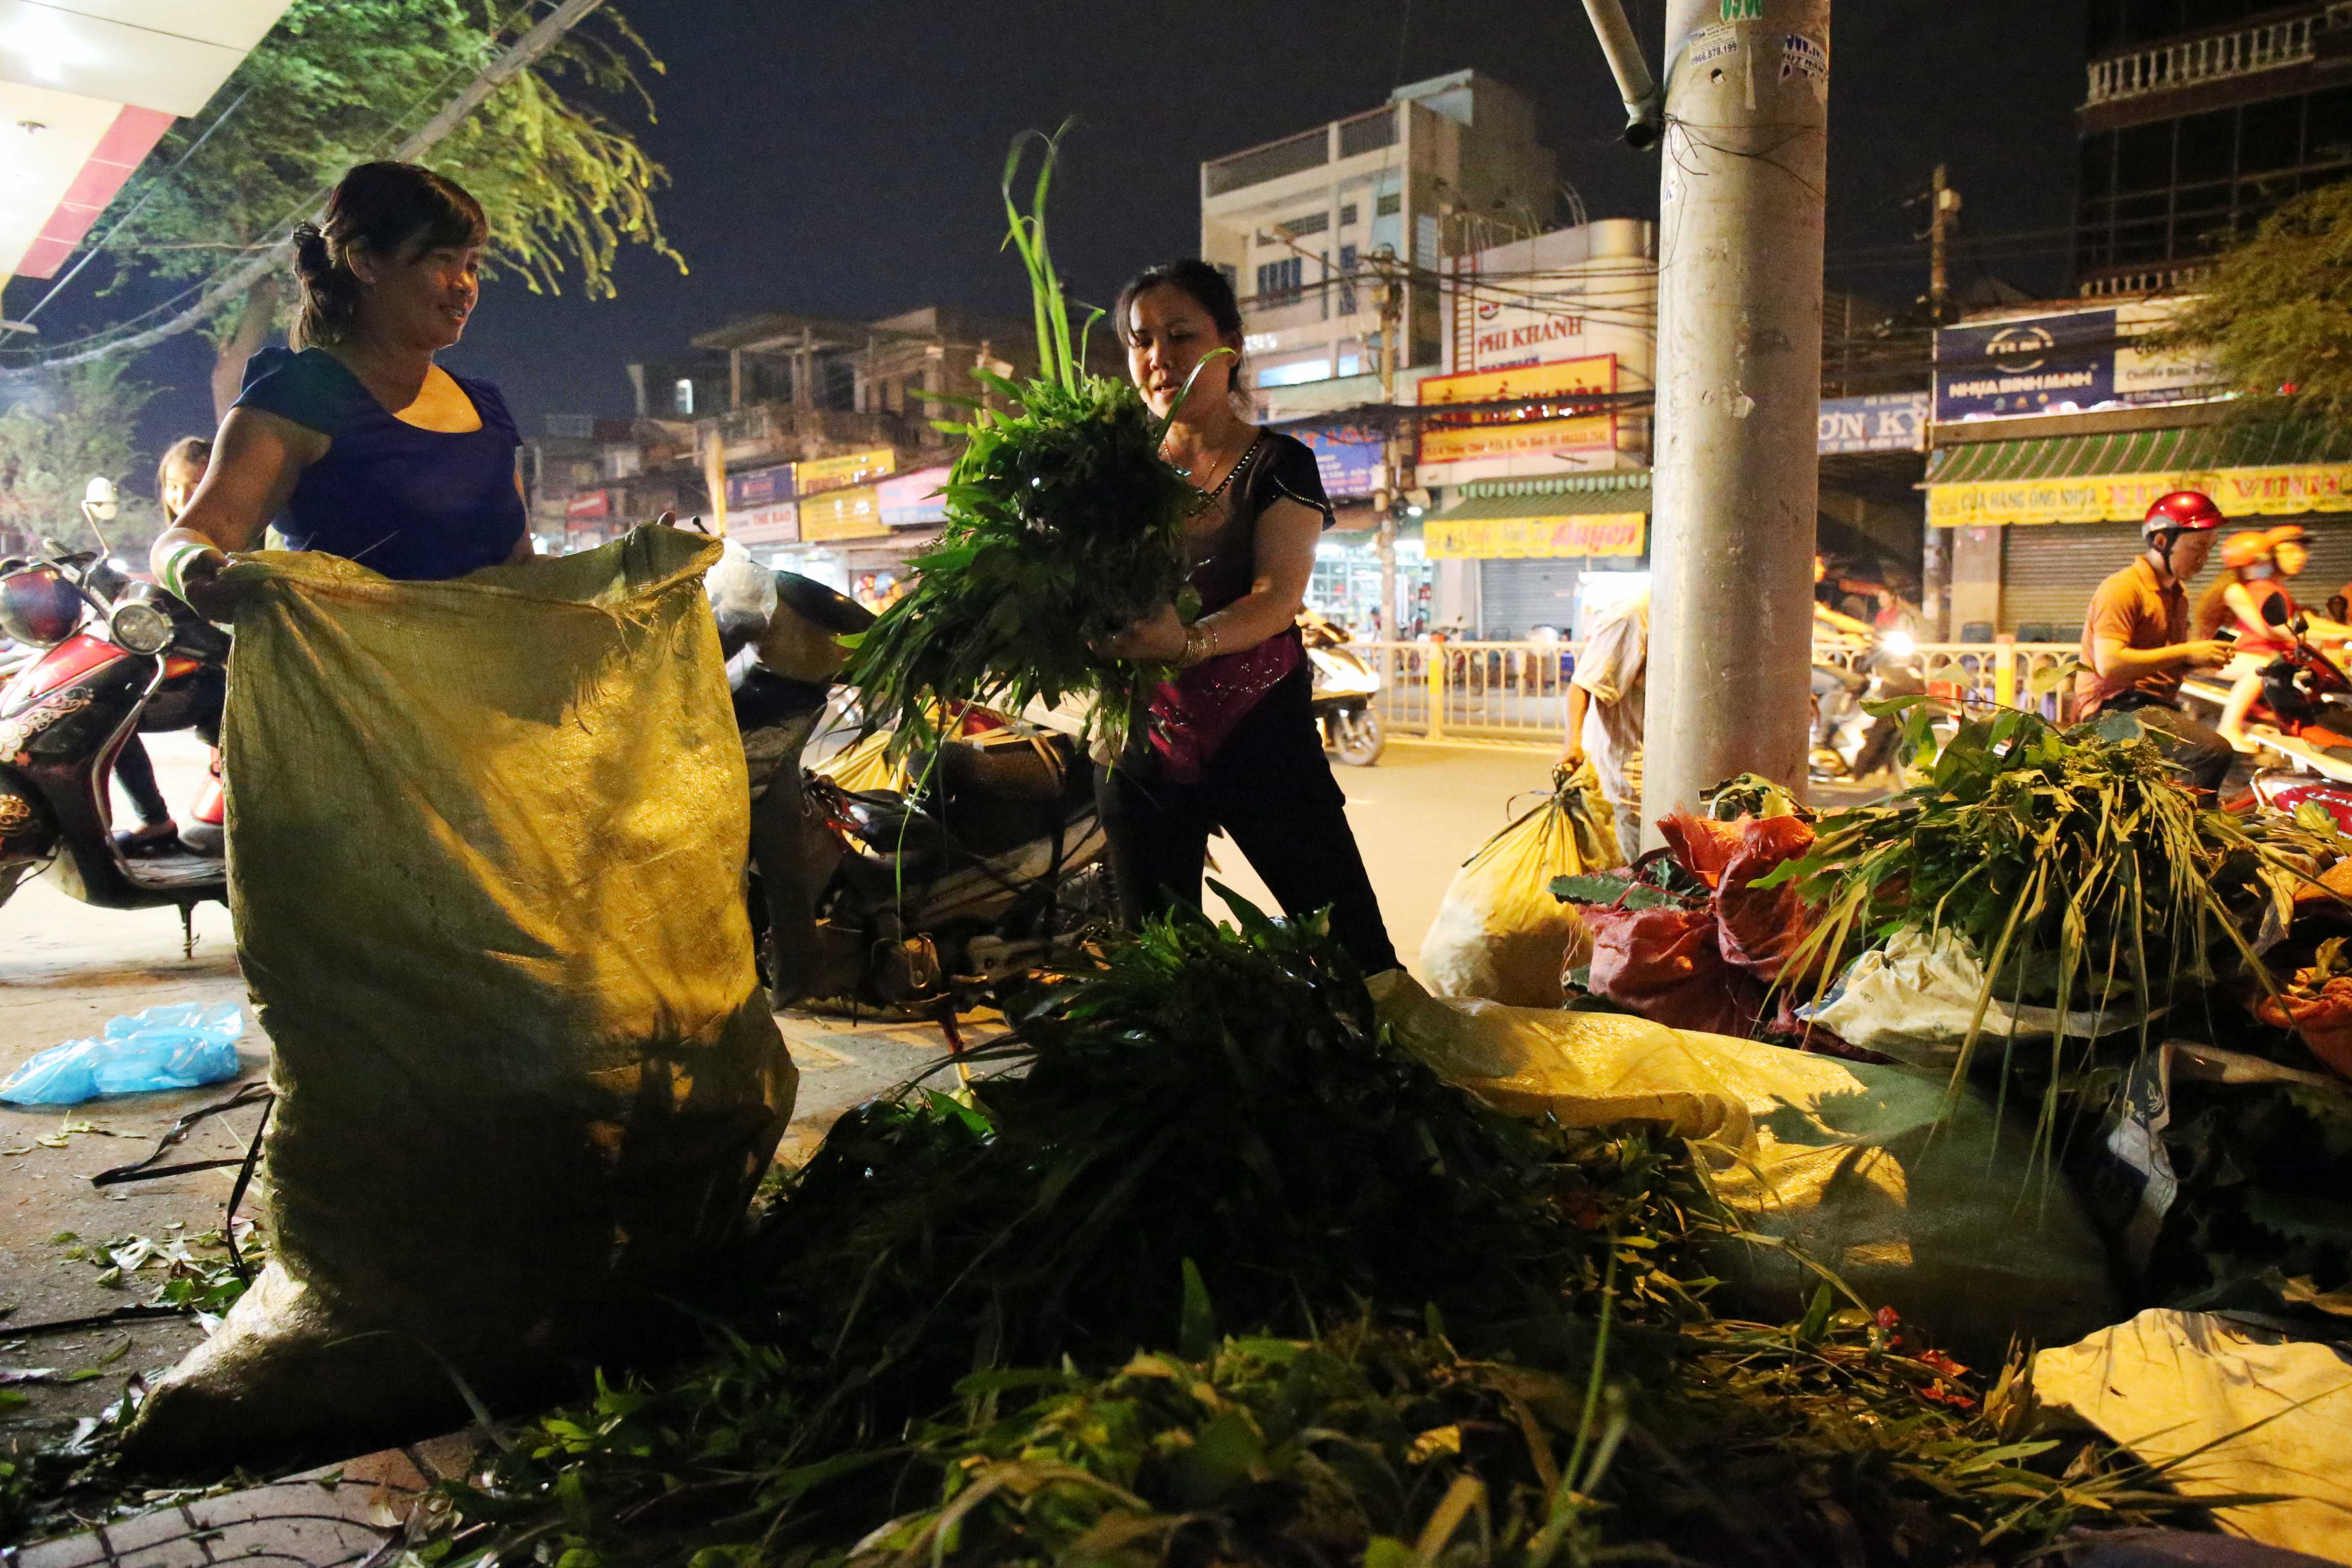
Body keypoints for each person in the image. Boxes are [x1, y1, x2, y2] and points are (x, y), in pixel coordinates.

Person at [1094, 259, 1400, 977]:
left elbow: (1276, 596)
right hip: (1141, 739)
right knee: (1162, 969)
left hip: (1259, 731)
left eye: (1180, 335)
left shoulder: (1280, 464)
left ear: (1229, 343)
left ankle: (1395, 1064)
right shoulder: (1111, 472)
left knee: (1356, 954)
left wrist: (1188, 641)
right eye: (1141, 341)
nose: (1158, 359)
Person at [151, 161, 530, 619]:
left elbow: (521, 568)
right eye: (441, 260)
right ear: (366, 262)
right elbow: (189, 537)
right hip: (351, 688)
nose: (465, 285)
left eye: (472, 265)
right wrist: (192, 567)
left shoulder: (486, 408)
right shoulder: (298, 397)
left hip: (487, 685)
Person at [2074, 491, 2235, 793]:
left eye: (2209, 549)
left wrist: (2196, 659)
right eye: (2196, 548)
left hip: (2154, 706)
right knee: (2212, 751)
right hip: (2111, 711)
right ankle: (2182, 835)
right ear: (2162, 542)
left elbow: (2163, 658)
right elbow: (2110, 665)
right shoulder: (2123, 589)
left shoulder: (2179, 595)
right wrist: (2187, 651)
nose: (2203, 559)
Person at [110, 438, 216, 856]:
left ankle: (154, 821)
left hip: (222, 677)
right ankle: (153, 819)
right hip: (181, 672)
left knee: (116, 720)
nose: (181, 496)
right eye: (173, 485)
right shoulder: (170, 545)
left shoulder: (232, 540)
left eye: (195, 484)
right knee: (104, 706)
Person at [1559, 591, 1647, 861]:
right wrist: (1573, 742)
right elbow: (1584, 685)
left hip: (1665, 778)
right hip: (1633, 780)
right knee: (1644, 883)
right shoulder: (1633, 615)